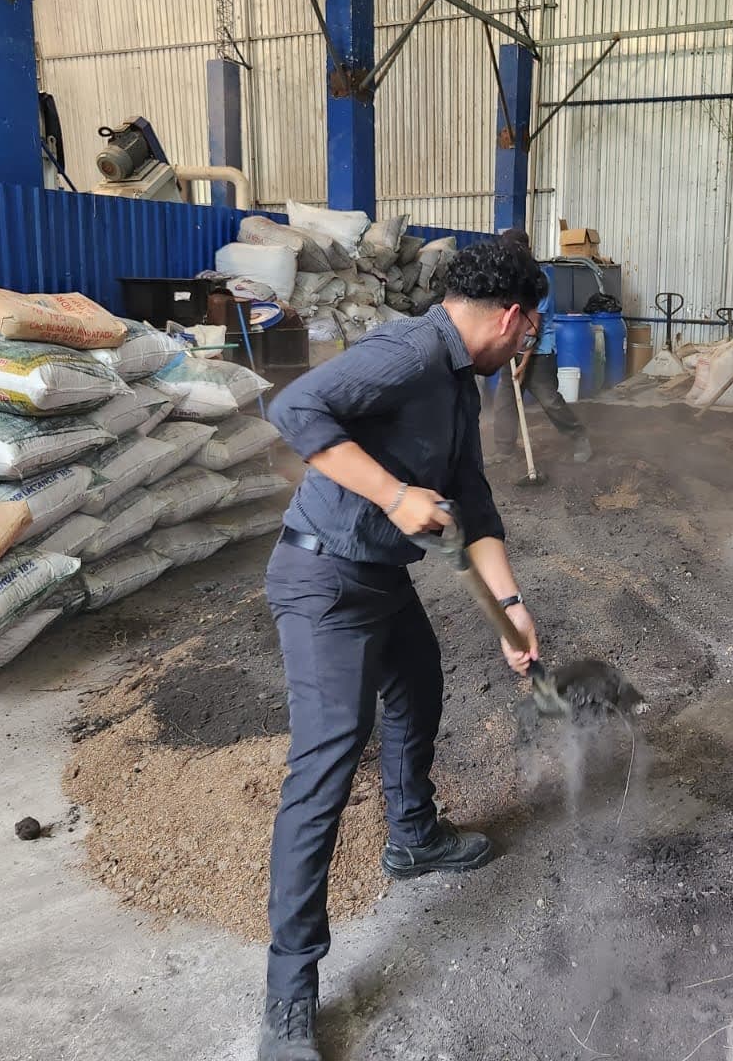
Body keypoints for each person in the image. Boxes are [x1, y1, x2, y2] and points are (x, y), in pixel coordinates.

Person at [257, 239, 545, 1061]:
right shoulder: (408, 352)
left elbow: (477, 509)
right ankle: (288, 994)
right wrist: (390, 492)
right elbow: (294, 410)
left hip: (379, 577)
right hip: (324, 584)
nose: (526, 348)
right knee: (324, 763)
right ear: (515, 318)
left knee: (419, 685)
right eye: (529, 334)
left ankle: (412, 835)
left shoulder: (458, 383)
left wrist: (514, 616)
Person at [491, 228, 593, 464]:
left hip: (539, 352)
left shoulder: (539, 280)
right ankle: (504, 449)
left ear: (524, 251)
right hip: (512, 350)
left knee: (549, 401)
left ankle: (580, 438)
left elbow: (533, 326)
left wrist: (524, 363)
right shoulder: (509, 279)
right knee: (504, 402)